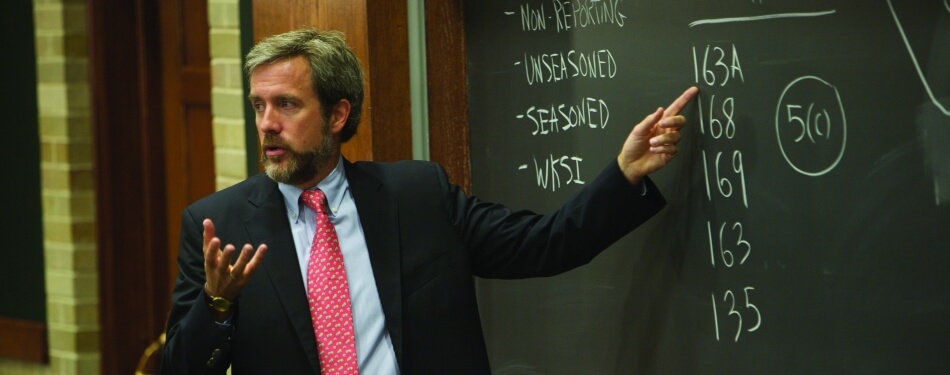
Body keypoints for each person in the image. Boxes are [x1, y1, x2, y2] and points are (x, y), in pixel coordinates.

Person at [160, 27, 699, 374]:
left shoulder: (416, 196)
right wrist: (218, 303)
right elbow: (183, 369)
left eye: (286, 105)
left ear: (338, 114)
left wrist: (623, 174)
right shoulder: (219, 226)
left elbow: (546, 245)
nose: (267, 125)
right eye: (258, 106)